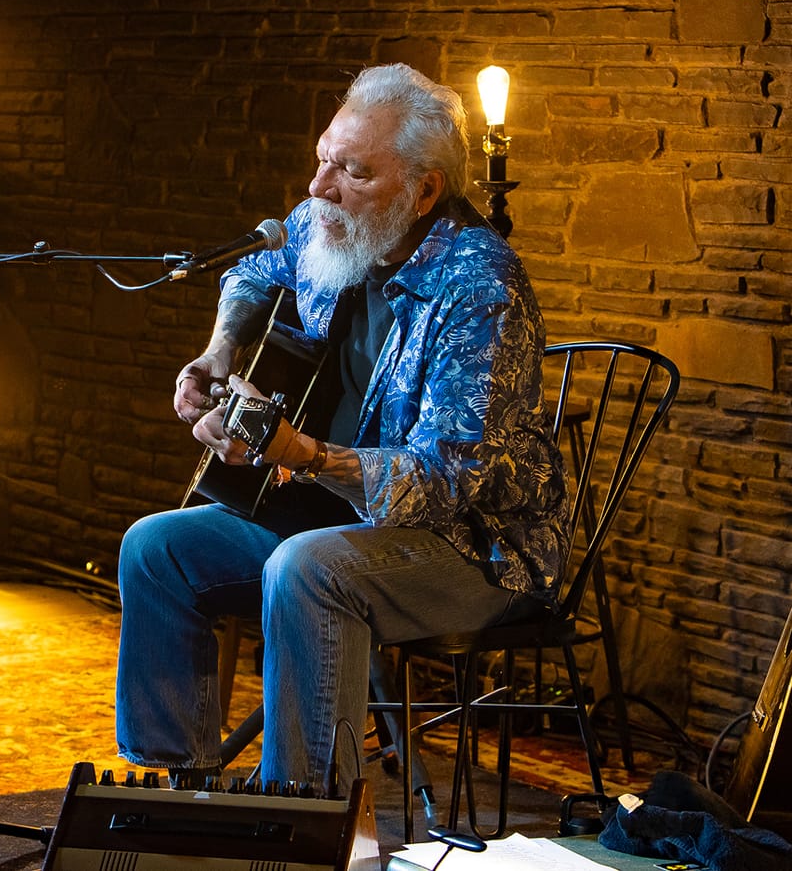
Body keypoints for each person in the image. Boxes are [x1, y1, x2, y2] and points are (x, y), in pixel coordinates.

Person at [114, 63, 570, 795]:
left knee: (308, 568)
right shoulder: (331, 222)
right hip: (335, 515)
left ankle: (302, 815)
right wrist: (220, 348)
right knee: (157, 548)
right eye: (324, 159)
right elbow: (258, 270)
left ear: (423, 190)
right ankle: (182, 794)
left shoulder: (480, 286)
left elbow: (451, 480)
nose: (320, 189)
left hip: (474, 546)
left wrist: (302, 453)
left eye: (352, 172)